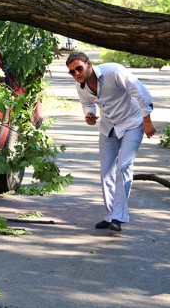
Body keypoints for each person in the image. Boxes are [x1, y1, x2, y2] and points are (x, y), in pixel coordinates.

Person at [66, 51, 156, 232]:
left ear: (88, 64)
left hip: (132, 123)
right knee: (106, 170)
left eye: (79, 68)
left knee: (123, 165)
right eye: (72, 72)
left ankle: (118, 217)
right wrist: (89, 115)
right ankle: (110, 215)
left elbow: (140, 91)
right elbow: (87, 103)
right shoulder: (81, 87)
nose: (76, 73)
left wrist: (147, 121)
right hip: (108, 127)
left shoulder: (114, 72)